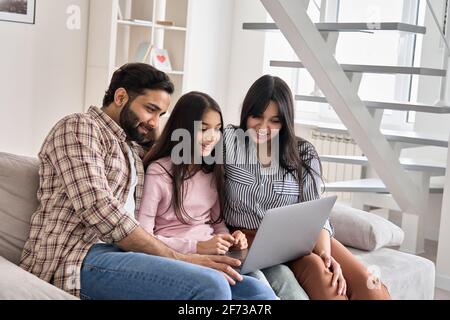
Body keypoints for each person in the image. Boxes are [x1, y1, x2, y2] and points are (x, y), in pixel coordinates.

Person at [19, 63, 271, 300]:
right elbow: (99, 209)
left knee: (256, 292)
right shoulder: (79, 128)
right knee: (211, 286)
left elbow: (177, 153)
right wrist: (184, 257)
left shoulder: (136, 148)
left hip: (129, 255)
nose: (154, 122)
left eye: (161, 114)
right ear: (120, 98)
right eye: (150, 109)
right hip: (78, 257)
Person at [222, 74, 391, 300]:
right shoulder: (228, 142)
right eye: (257, 117)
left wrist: (326, 255)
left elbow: (317, 212)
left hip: (301, 237)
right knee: (324, 283)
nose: (263, 128)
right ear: (246, 114)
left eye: (275, 121)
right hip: (250, 239)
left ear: (285, 121)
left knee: (370, 287)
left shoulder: (303, 153)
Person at [138, 91, 276, 299]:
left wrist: (232, 240)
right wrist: (197, 246)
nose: (212, 137)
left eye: (217, 129)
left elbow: (217, 225)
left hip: (214, 256)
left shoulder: (211, 173)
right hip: (180, 259)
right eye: (204, 129)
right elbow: (143, 238)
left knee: (262, 291)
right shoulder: (160, 171)